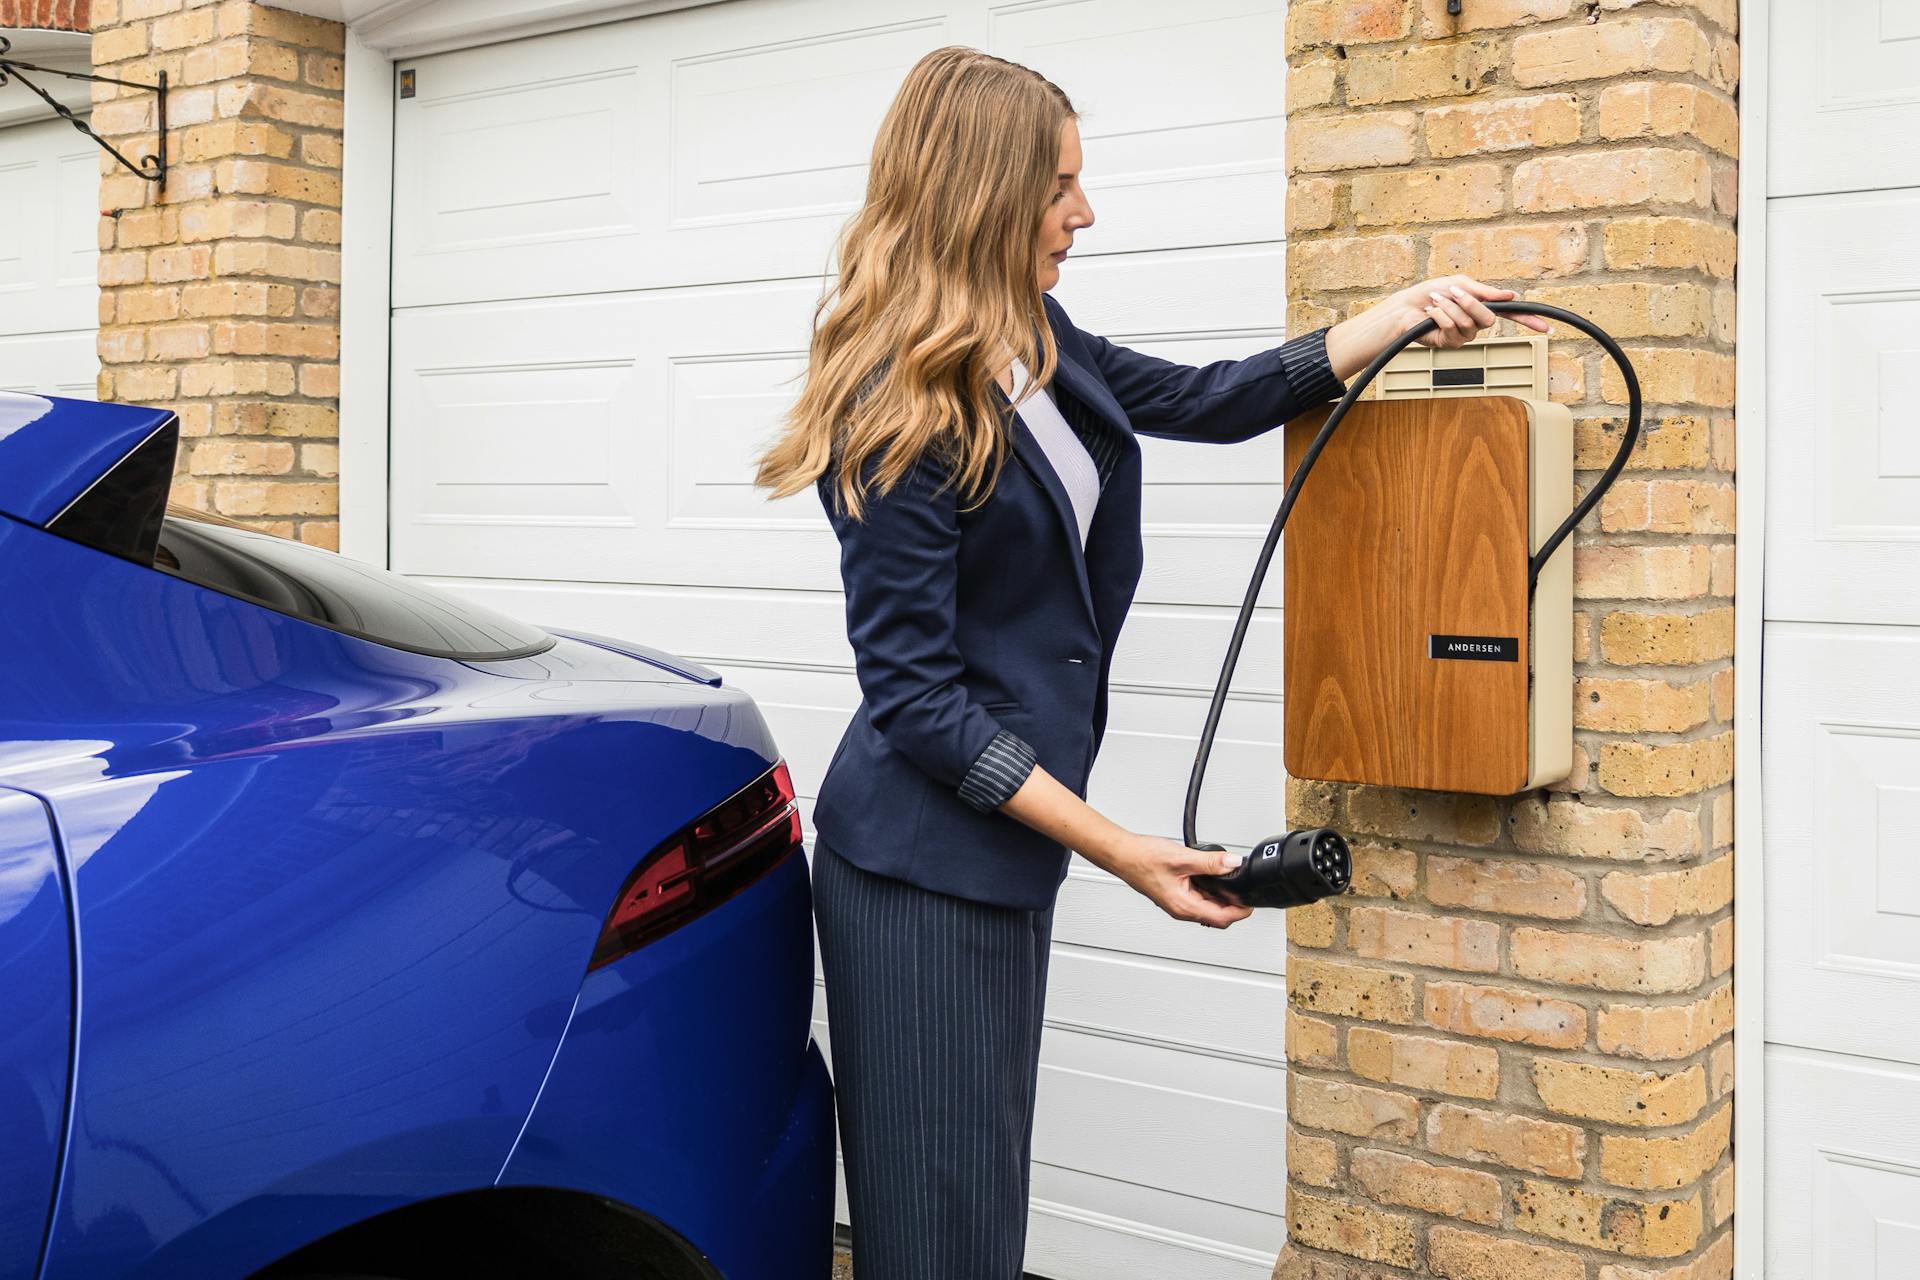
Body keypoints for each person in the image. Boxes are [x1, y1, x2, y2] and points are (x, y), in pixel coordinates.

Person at [752, 45, 1550, 1280]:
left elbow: (1208, 396)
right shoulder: (894, 400)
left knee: (976, 1205)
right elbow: (915, 698)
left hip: (996, 857)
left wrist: (1390, 318)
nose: (1085, 211)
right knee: (936, 1229)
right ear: (983, 189)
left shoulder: (1031, 338)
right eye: (1060, 185)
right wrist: (1124, 849)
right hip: (915, 872)